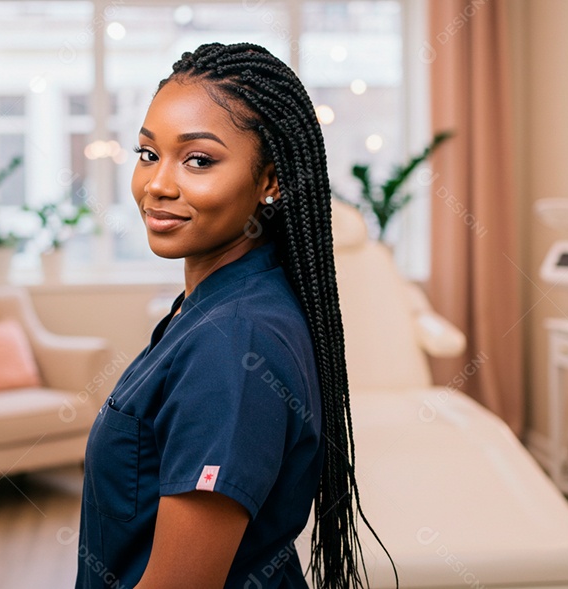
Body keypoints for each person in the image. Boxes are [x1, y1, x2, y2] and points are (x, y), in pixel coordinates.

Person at [76, 42, 392, 589]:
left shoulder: (234, 342)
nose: (158, 184)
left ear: (270, 181)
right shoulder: (213, 305)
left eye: (198, 159)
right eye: (149, 154)